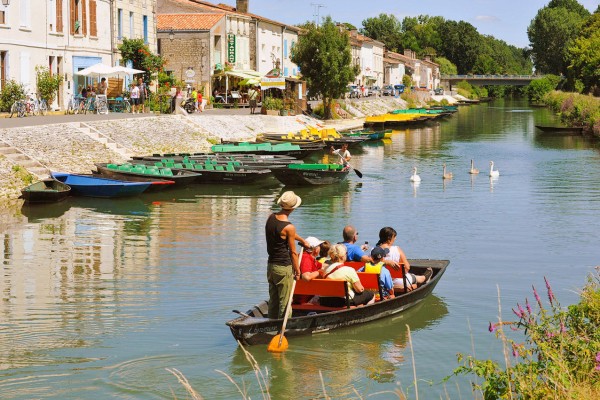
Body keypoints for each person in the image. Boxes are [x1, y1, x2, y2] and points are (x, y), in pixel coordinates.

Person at [265, 191, 307, 319]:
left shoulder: (271, 217)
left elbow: (286, 235)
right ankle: (283, 330)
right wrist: (298, 271)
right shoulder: (289, 227)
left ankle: (270, 325)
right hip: (283, 267)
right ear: (293, 208)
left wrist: (302, 240)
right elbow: (293, 252)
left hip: (271, 266)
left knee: (273, 301)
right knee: (286, 302)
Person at [376, 226, 432, 292]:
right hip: (398, 281)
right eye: (394, 237)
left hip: (377, 282)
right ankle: (424, 278)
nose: (395, 238)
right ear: (389, 238)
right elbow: (407, 267)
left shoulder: (373, 250)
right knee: (416, 278)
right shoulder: (396, 249)